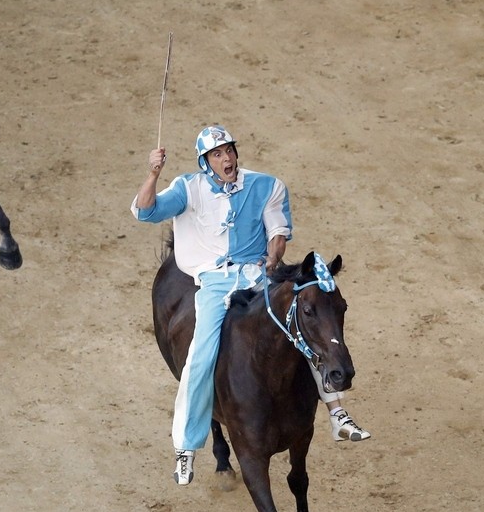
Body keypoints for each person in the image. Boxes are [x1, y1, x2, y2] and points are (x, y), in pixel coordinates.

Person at [131, 125, 370, 486]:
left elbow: (277, 232)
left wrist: (274, 255)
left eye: (229, 150)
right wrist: (153, 174)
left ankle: (337, 413)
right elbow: (144, 211)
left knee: (301, 329)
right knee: (200, 357)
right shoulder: (187, 188)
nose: (226, 158)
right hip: (214, 283)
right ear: (206, 162)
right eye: (217, 154)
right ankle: (186, 447)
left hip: (258, 275)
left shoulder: (267, 185)